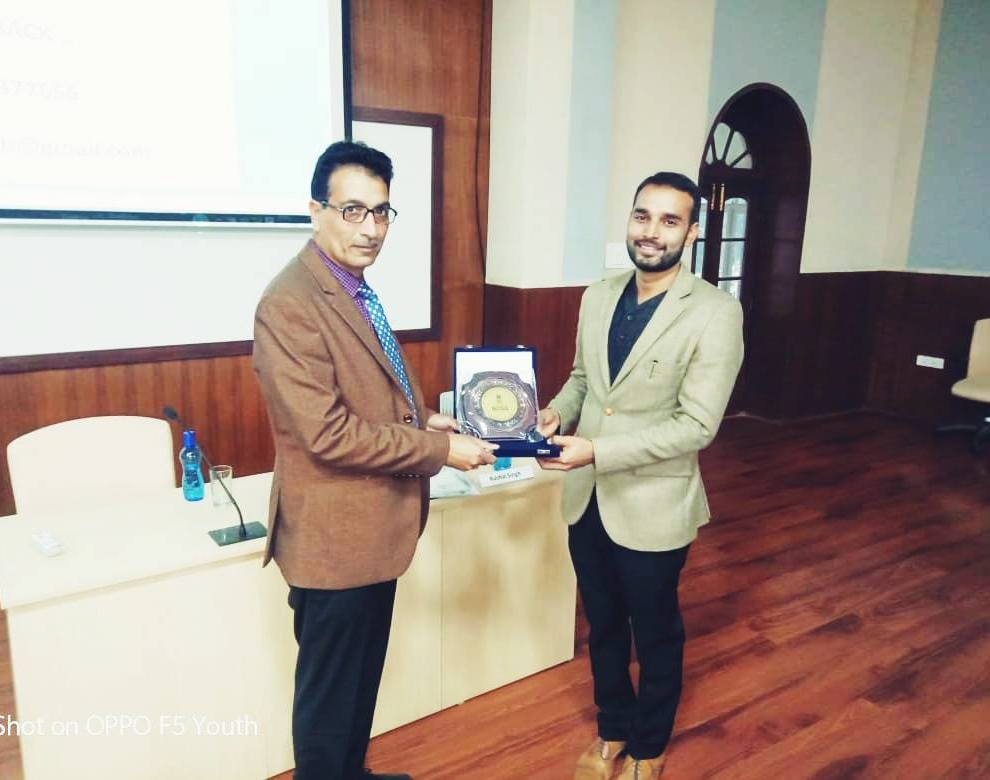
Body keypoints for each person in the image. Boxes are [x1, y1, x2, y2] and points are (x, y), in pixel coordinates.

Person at [253, 140, 497, 780]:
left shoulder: (350, 286)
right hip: (335, 540)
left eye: (382, 212)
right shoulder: (289, 303)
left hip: (372, 532)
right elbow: (327, 434)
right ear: (316, 211)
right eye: (352, 210)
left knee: (358, 684)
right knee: (329, 701)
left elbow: (373, 388)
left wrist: (425, 418)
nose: (370, 228)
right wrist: (439, 450)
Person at [537, 172, 744, 780]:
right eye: (642, 216)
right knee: (602, 624)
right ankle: (613, 729)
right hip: (587, 500)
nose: (651, 232)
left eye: (669, 220)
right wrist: (553, 414)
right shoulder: (598, 295)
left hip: (654, 505)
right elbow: (583, 381)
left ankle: (649, 746)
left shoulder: (715, 312)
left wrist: (595, 451)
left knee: (654, 632)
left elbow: (697, 425)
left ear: (692, 232)